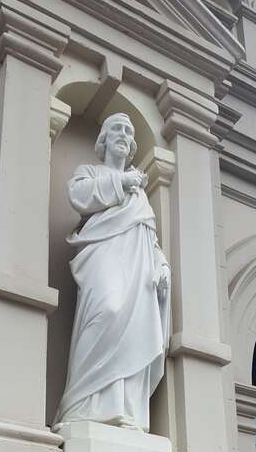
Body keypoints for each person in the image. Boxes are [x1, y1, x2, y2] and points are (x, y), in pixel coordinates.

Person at [53, 112, 170, 432]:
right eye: (116, 128)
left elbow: (150, 235)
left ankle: (126, 412)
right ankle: (84, 404)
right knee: (108, 309)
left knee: (136, 330)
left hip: (138, 266)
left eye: (128, 131)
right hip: (102, 255)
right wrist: (122, 181)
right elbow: (79, 196)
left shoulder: (141, 193)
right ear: (103, 140)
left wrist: (161, 265)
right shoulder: (90, 172)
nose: (123, 134)